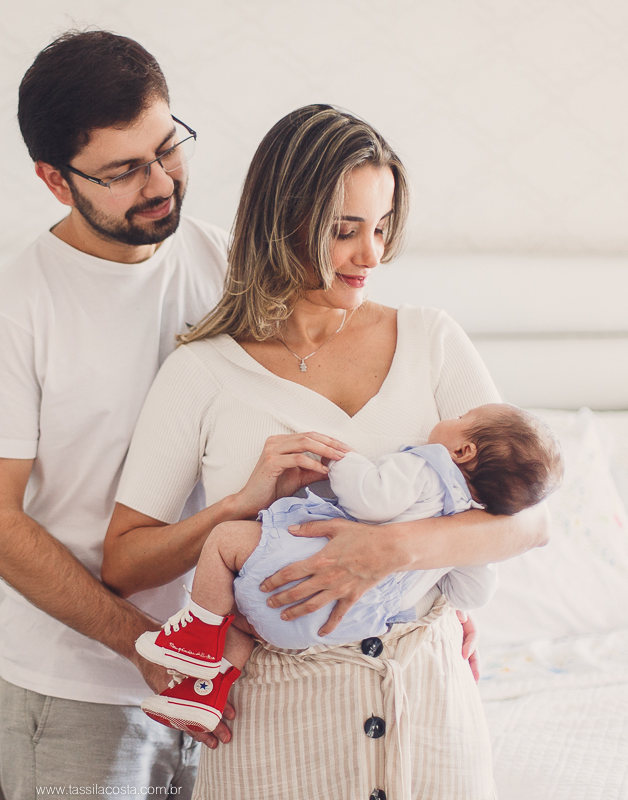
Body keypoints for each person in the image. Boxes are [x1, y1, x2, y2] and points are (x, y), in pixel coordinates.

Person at [102, 104, 551, 799]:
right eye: (344, 232)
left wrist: (389, 550)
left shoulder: (431, 341)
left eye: (381, 227)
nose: (371, 255)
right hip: (278, 732)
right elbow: (125, 562)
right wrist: (238, 504)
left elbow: (530, 522)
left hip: (429, 713)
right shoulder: (202, 373)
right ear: (283, 222)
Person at [0, 30, 230, 798]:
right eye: (125, 170)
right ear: (55, 181)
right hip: (78, 694)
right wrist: (144, 645)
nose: (162, 181)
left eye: (168, 148)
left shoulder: (231, 268)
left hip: (230, 682)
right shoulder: (14, 310)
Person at [135, 403, 563, 732]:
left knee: (225, 542)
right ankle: (204, 695)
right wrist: (467, 553)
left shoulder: (426, 467)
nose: (453, 414)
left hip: (301, 571)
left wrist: (343, 459)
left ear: (463, 450)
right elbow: (472, 595)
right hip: (343, 625)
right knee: (247, 626)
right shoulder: (468, 531)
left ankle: (195, 638)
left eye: (464, 416)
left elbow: (370, 499)